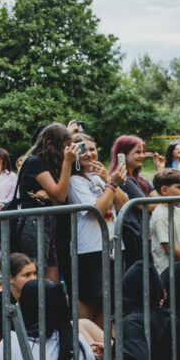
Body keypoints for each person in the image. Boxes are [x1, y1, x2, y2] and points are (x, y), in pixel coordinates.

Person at [66, 133, 127, 326]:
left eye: (92, 149)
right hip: (89, 248)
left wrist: (108, 179)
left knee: (107, 301)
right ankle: (84, 343)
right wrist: (112, 184)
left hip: (112, 246)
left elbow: (125, 204)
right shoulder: (74, 181)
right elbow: (96, 211)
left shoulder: (101, 178)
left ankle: (102, 344)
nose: (89, 154)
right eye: (82, 150)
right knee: (89, 299)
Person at [12, 123, 77, 282]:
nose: (66, 152)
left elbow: (57, 201)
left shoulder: (48, 163)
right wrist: (68, 163)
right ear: (49, 144)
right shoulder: (34, 162)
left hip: (48, 223)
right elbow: (60, 195)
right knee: (35, 275)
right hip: (34, 224)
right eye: (64, 147)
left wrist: (51, 194)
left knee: (51, 280)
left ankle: (49, 307)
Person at [109, 135, 157, 267]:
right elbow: (148, 205)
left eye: (143, 152)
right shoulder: (124, 180)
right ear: (123, 155)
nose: (142, 156)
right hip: (133, 235)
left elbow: (158, 196)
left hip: (142, 234)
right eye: (137, 152)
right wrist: (155, 200)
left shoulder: (139, 179)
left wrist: (160, 170)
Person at [0, 253, 37, 344]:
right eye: (27, 275)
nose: (33, 279)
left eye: (35, 274)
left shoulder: (34, 293)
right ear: (11, 278)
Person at [149, 168, 180, 273]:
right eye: (179, 187)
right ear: (164, 190)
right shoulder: (160, 214)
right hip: (170, 271)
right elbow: (168, 248)